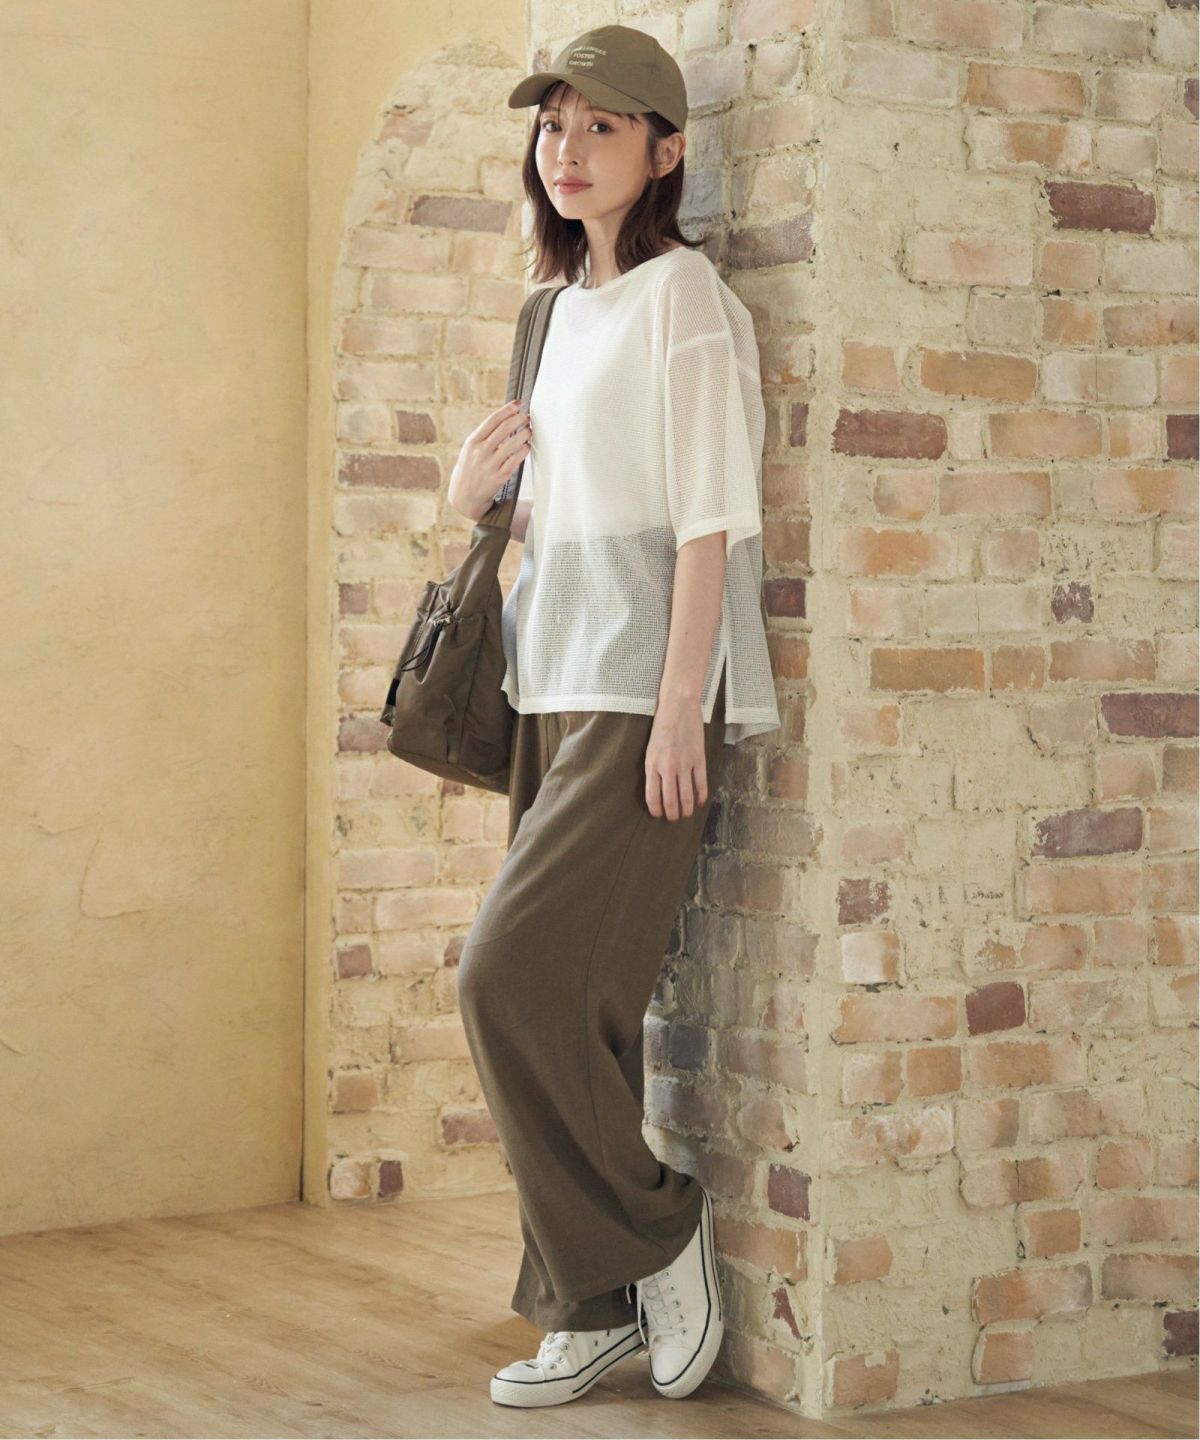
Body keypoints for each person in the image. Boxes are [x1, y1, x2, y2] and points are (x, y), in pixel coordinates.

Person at [445, 23, 781, 1409]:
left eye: (601, 126)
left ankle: (656, 1229)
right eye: (553, 125)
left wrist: (680, 707)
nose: (568, 150)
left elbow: (709, 519)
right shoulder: (552, 314)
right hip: (548, 681)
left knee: (502, 978)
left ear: (667, 150)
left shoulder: (681, 297)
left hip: (640, 696)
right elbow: (566, 521)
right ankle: (588, 1307)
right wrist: (475, 502)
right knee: (572, 1010)